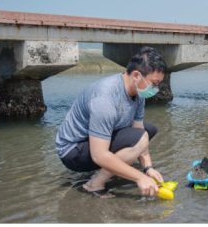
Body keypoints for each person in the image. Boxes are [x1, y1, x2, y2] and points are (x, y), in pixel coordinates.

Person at [55, 47, 168, 199]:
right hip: (73, 150)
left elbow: (139, 131)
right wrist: (139, 177)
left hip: (94, 140)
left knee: (148, 131)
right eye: (154, 83)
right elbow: (99, 155)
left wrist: (148, 168)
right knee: (140, 139)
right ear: (136, 75)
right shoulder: (105, 98)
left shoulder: (138, 93)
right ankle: (93, 184)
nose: (156, 89)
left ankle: (112, 168)